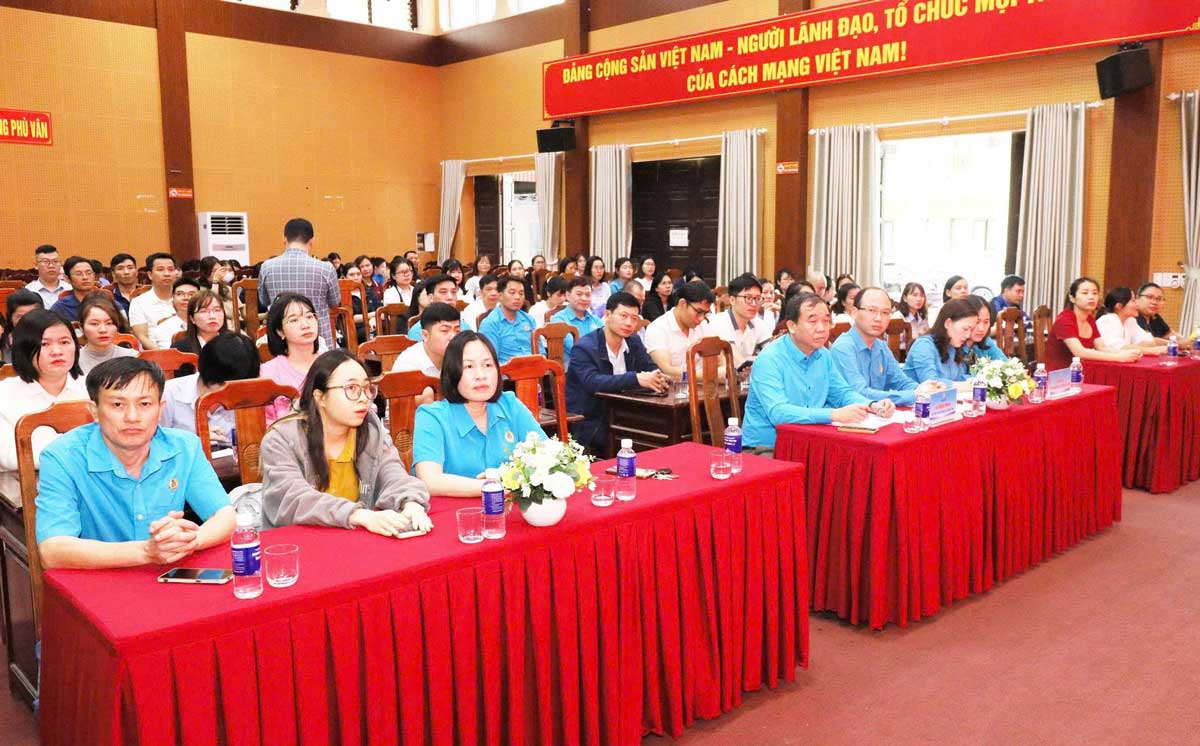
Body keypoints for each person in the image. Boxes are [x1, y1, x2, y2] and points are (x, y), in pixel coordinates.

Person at [34, 357, 235, 569]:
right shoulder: (62, 458)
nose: (132, 416)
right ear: (94, 411)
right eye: (117, 405)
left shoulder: (185, 448)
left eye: (145, 404)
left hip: (167, 577)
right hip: (97, 583)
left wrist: (189, 541)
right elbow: (52, 551)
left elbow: (225, 516)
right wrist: (147, 552)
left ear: (160, 409)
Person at [258, 350, 432, 533]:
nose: (364, 398)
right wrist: (358, 515)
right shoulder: (281, 440)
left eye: (366, 388)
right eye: (351, 389)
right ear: (320, 397)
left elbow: (393, 475)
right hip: (298, 545)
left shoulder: (371, 430)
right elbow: (293, 499)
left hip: (354, 542)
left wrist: (410, 502)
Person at [742, 293, 877, 455]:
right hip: (767, 448)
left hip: (810, 441)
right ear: (791, 326)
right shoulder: (770, 359)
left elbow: (841, 393)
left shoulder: (823, 354)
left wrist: (871, 405)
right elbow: (779, 413)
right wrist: (834, 414)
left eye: (826, 321)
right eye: (813, 321)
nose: (821, 328)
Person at [412, 333, 544, 497]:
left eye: (488, 365)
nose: (481, 375)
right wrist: (495, 485)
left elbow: (548, 456)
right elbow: (430, 481)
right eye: (469, 367)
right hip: (455, 515)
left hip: (511, 511)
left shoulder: (510, 404)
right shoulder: (432, 417)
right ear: (452, 372)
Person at [566, 292, 670, 452]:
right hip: (592, 421)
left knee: (663, 431)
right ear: (607, 315)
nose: (629, 323)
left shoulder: (633, 341)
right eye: (623, 316)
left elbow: (650, 367)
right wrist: (635, 379)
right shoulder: (584, 347)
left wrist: (659, 377)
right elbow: (593, 382)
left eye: (634, 318)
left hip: (626, 416)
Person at [0, 309, 90, 470]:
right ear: (25, 349)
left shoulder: (93, 389)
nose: (57, 351)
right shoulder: (4, 394)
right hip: (24, 487)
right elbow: (11, 457)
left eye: (64, 342)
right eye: (44, 344)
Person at [830, 287, 930, 407]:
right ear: (855, 313)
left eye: (885, 313)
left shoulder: (881, 346)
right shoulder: (843, 348)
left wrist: (924, 390)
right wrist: (914, 395)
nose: (878, 318)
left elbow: (901, 382)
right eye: (872, 310)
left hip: (878, 416)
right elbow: (860, 393)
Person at [160, 332, 259, 449]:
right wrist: (193, 441)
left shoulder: (248, 394)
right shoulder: (169, 393)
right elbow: (155, 444)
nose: (231, 391)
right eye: (223, 384)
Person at [258, 218, 341, 349]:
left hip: (282, 340)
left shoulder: (266, 267)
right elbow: (335, 302)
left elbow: (264, 301)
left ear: (284, 239)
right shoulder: (326, 268)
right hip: (318, 340)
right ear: (312, 241)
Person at [1045, 277, 1142, 370]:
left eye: (1094, 293)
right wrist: (1118, 357)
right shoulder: (1064, 319)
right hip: (1059, 377)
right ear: (1072, 298)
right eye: (1085, 293)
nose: (1091, 297)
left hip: (1082, 371)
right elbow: (1080, 352)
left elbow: (1101, 347)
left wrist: (1127, 353)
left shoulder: (1090, 319)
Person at [261, 293, 322, 422]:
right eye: (294, 320)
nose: (305, 325)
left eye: (310, 316)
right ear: (280, 331)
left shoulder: (335, 364)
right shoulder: (267, 373)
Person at [392, 302, 460, 408]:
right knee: (427, 394)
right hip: (411, 420)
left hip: (452, 418)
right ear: (425, 335)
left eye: (457, 330)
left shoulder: (462, 355)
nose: (453, 337)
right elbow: (403, 406)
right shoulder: (408, 363)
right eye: (445, 331)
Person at [645, 280, 715, 379]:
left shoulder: (703, 326)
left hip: (703, 389)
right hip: (671, 391)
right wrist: (708, 375)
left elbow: (722, 361)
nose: (701, 318)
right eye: (699, 312)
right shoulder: (657, 329)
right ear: (682, 304)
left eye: (705, 313)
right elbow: (667, 371)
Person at [903, 298, 979, 387]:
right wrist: (968, 386)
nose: (968, 335)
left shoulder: (953, 346)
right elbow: (932, 384)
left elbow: (959, 377)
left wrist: (977, 380)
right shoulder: (924, 346)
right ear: (948, 323)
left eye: (971, 330)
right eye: (965, 329)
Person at [708, 274, 764, 368]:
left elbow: (773, 354)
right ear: (732, 300)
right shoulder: (718, 323)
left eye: (758, 299)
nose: (754, 304)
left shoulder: (758, 323)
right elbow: (738, 363)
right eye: (748, 298)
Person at [477, 275, 536, 364]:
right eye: (512, 293)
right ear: (500, 296)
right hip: (507, 374)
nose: (517, 297)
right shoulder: (490, 323)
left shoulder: (529, 319)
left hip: (534, 371)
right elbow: (490, 360)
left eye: (521, 293)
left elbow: (540, 351)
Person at [128, 252, 179, 350]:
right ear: (150, 275)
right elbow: (142, 337)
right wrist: (165, 355)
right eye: (160, 269)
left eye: (170, 269)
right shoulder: (139, 302)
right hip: (155, 355)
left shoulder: (185, 299)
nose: (167, 274)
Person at [78, 293, 136, 374]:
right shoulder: (72, 361)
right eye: (94, 324)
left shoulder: (132, 358)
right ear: (81, 327)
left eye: (109, 323)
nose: (103, 330)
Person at [1096, 287, 1166, 354]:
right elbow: (1118, 348)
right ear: (1119, 306)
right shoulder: (1107, 320)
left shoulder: (1130, 321)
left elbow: (1148, 340)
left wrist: (1168, 344)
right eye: (1133, 300)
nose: (1137, 303)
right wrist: (1153, 350)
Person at [550, 277, 603, 361]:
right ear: (568, 295)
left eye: (588, 294)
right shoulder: (559, 320)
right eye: (579, 294)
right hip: (572, 368)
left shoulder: (595, 319)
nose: (584, 298)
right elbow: (575, 348)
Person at [172, 288, 227, 357]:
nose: (212, 316)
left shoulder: (237, 343)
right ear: (192, 319)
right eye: (203, 311)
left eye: (217, 310)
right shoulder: (180, 348)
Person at [405, 274, 461, 341]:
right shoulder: (418, 331)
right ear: (431, 298)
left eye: (453, 292)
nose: (450, 297)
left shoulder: (464, 325)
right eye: (443, 292)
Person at [149, 276, 200, 350]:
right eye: (179, 294)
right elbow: (169, 355)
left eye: (191, 294)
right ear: (173, 298)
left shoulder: (208, 324)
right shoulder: (163, 328)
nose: (186, 298)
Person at [341, 261, 382, 343]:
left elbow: (381, 310)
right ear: (344, 277)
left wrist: (374, 319)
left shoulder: (368, 291)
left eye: (358, 274)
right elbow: (351, 317)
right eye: (351, 275)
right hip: (355, 329)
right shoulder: (343, 295)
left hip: (373, 325)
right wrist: (371, 315)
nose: (356, 277)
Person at [49, 255, 99, 322]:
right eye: (78, 274)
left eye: (88, 273)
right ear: (67, 278)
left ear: (94, 275)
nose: (85, 277)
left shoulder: (108, 302)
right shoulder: (60, 308)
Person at [962, 295, 1008, 366]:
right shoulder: (954, 344)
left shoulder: (986, 341)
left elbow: (1005, 364)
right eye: (977, 322)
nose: (981, 328)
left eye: (986, 322)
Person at [0, 290, 43, 364]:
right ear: (10, 318)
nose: (28, 320)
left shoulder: (51, 340)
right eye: (20, 317)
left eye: (33, 314)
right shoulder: (3, 342)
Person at [199, 255, 235, 324]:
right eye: (215, 271)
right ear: (205, 273)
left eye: (220, 270)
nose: (218, 274)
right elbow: (211, 302)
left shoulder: (227, 288)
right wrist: (215, 281)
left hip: (235, 323)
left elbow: (241, 309)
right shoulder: (200, 290)